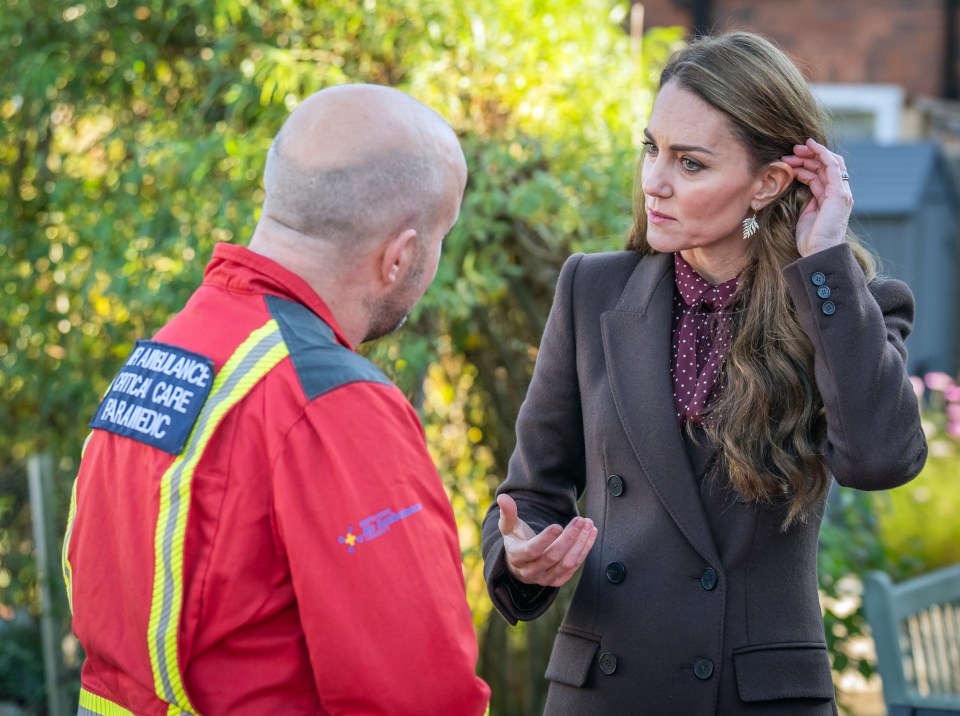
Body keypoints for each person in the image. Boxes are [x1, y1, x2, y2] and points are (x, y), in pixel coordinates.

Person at [482, 31, 927, 715]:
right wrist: (519, 553)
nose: (654, 181)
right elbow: (532, 491)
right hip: (606, 690)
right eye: (650, 149)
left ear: (768, 183)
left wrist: (826, 261)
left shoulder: (840, 305)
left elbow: (880, 459)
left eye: (690, 164)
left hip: (754, 698)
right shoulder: (592, 290)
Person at [63, 84, 490, 715]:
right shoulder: (331, 403)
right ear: (399, 257)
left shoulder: (171, 352)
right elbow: (420, 694)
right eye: (440, 238)